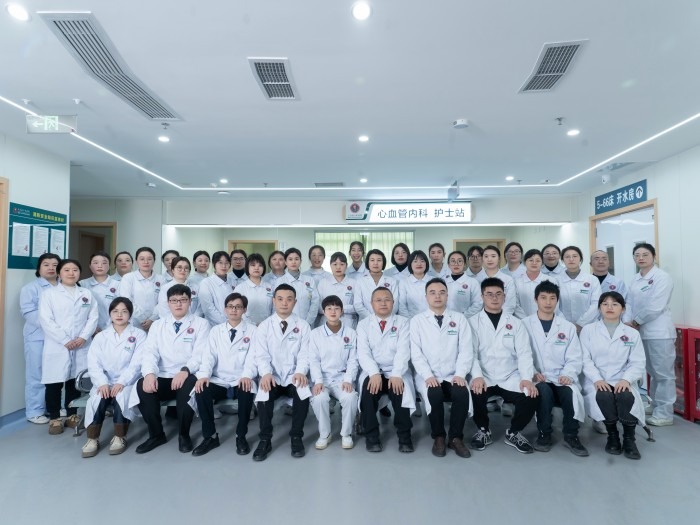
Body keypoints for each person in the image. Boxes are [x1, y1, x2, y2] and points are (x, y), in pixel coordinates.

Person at [134, 284, 211, 454]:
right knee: (142, 386)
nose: (178, 304)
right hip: (163, 374)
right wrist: (149, 374)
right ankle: (156, 434)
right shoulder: (157, 325)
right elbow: (150, 353)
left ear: (190, 302)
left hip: (188, 373)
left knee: (189, 387)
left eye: (183, 300)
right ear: (168, 303)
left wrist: (185, 370)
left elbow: (201, 354)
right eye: (174, 300)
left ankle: (184, 435)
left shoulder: (201, 324)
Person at [468, 277, 539, 454]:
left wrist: (526, 378)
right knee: (475, 390)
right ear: (482, 297)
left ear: (504, 297)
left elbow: (524, 353)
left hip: (510, 375)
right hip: (484, 375)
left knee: (531, 393)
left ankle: (514, 432)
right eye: (489, 294)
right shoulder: (472, 322)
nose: (494, 298)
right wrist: (477, 376)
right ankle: (483, 430)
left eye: (498, 294)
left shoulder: (516, 323)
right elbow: (471, 354)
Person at [522, 281, 588, 456]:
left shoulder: (567, 327)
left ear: (557, 301)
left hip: (561, 376)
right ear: (536, 299)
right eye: (543, 297)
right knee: (543, 392)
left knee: (569, 393)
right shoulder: (524, 324)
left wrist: (568, 374)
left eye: (552, 298)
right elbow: (520, 354)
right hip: (538, 377)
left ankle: (571, 435)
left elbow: (575, 357)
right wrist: (532, 372)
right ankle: (544, 433)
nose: (548, 302)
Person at [410, 278, 473, 458]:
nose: (437, 296)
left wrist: (460, 374)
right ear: (426, 297)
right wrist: (428, 375)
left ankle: (455, 438)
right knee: (434, 394)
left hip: (454, 373)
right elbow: (416, 353)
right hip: (429, 374)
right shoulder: (417, 321)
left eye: (441, 292)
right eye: (432, 293)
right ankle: (438, 436)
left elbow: (466, 350)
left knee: (461, 393)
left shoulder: (459, 319)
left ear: (447, 295)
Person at [581, 292, 646, 459]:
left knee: (625, 396)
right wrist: (597, 379)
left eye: (615, 304)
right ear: (599, 308)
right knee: (603, 395)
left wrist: (626, 379)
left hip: (622, 378)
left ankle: (629, 439)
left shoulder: (632, 334)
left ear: (622, 309)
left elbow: (638, 362)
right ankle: (613, 436)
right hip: (597, 379)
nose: (609, 307)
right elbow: (585, 359)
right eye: (605, 304)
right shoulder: (588, 330)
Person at [192, 293, 257, 456]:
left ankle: (241, 436)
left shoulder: (253, 330)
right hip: (219, 379)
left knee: (247, 389)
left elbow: (253, 357)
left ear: (244, 310)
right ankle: (210, 436)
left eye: (238, 307)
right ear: (225, 309)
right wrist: (204, 375)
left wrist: (247, 375)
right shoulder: (216, 331)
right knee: (201, 390)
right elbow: (209, 356)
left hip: (241, 378)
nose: (234, 310)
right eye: (230, 306)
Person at [252, 284, 312, 461]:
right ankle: (265, 439)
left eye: (289, 299)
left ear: (295, 302)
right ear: (273, 301)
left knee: (302, 392)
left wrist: (300, 372)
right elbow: (261, 354)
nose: (284, 303)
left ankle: (296, 436)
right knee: (264, 393)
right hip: (273, 376)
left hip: (294, 375)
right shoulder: (264, 326)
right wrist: (266, 373)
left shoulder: (303, 325)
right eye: (280, 299)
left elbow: (305, 354)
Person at [40, 259, 99, 435]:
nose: (71, 273)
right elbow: (46, 320)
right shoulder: (49, 294)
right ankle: (55, 418)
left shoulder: (86, 293)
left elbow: (93, 317)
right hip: (57, 345)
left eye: (75, 270)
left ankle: (72, 415)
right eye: (67, 270)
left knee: (74, 381)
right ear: (59, 273)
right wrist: (65, 340)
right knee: (54, 383)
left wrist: (83, 337)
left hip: (80, 344)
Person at [82, 297, 146, 457]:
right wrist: (102, 383)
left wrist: (122, 382)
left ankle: (119, 436)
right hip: (104, 381)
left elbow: (137, 364)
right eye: (115, 311)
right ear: (110, 314)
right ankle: (92, 439)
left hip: (129, 382)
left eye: (124, 311)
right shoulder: (101, 337)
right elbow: (94, 363)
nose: (119, 315)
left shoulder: (139, 335)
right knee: (98, 398)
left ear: (130, 314)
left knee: (122, 396)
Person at [357, 287, 415, 453]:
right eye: (378, 300)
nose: (383, 303)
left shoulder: (403, 322)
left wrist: (396, 374)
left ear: (393, 303)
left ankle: (404, 437)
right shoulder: (363, 324)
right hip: (372, 370)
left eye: (387, 299)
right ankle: (371, 436)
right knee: (368, 392)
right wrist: (374, 373)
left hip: (396, 369)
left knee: (400, 391)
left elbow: (404, 351)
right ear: (371, 304)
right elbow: (363, 352)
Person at [624, 243, 676, 426]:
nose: (641, 258)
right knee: (652, 372)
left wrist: (635, 322)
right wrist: (627, 322)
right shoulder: (635, 279)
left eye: (645, 254)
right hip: (639, 332)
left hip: (658, 332)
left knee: (663, 375)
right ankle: (655, 405)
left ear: (654, 256)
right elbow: (628, 303)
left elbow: (656, 306)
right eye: (637, 255)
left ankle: (665, 413)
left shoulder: (662, 277)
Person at [309, 295, 359, 450]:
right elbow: (313, 360)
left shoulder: (351, 333)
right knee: (319, 398)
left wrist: (348, 380)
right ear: (323, 312)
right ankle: (325, 434)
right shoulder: (315, 334)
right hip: (322, 379)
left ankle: (346, 434)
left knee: (350, 397)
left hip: (342, 379)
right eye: (329, 308)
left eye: (337, 308)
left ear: (342, 311)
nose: (333, 311)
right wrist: (318, 381)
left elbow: (353, 360)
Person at [20, 253, 60, 424]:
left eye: (55, 265)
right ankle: (35, 411)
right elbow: (29, 312)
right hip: (38, 337)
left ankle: (54, 408)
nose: (51, 268)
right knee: (36, 374)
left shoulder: (64, 286)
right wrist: (52, 325)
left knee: (57, 374)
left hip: (60, 339)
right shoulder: (30, 288)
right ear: (39, 268)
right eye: (46, 264)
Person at [118, 247, 162, 332]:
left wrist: (152, 319)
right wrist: (142, 319)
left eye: (149, 259)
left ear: (154, 261)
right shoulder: (128, 278)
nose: (146, 262)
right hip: (134, 323)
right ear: (136, 261)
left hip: (156, 323)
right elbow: (126, 300)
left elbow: (163, 302)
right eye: (142, 259)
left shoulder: (161, 279)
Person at [558, 246, 601, 332]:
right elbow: (554, 306)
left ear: (580, 259)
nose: (571, 259)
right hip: (563, 326)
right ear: (562, 260)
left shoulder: (592, 280)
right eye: (567, 257)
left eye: (575, 256)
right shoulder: (556, 281)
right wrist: (565, 324)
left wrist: (581, 323)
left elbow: (596, 304)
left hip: (589, 326)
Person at [276, 247, 320, 326]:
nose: (293, 262)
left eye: (296, 259)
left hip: (307, 323)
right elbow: (277, 304)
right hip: (286, 323)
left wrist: (308, 322)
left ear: (301, 261)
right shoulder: (279, 281)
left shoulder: (309, 280)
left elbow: (315, 302)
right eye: (290, 259)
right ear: (285, 262)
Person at [79, 251, 121, 332]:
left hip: (113, 328)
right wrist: (91, 328)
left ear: (109, 266)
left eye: (104, 263)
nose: (100, 266)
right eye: (95, 263)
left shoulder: (118, 285)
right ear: (90, 266)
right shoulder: (82, 284)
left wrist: (110, 327)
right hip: (87, 330)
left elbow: (121, 308)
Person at [354, 249, 399, 321]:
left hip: (388, 320)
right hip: (366, 321)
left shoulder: (392, 281)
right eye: (372, 260)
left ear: (383, 262)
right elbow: (358, 305)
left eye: (379, 260)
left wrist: (384, 318)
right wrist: (373, 318)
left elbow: (395, 304)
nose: (375, 263)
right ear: (368, 262)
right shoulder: (360, 282)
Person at [513, 249, 560, 319]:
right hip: (522, 321)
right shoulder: (516, 282)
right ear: (525, 262)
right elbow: (515, 304)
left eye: (538, 261)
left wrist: (542, 319)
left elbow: (555, 303)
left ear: (542, 263)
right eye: (531, 260)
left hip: (546, 320)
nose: (534, 263)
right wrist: (526, 320)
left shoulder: (551, 280)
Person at [317, 252, 357, 328]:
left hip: (347, 323)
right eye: (335, 264)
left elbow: (358, 305)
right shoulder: (323, 283)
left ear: (346, 266)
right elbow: (318, 306)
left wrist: (343, 309)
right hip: (326, 323)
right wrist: (331, 311)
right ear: (330, 266)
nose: (338, 267)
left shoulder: (353, 283)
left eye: (342, 264)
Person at [234, 253, 273, 325]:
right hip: (246, 326)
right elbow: (237, 309)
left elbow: (274, 308)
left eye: (260, 265)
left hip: (268, 325)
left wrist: (267, 324)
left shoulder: (270, 287)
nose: (256, 268)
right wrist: (251, 324)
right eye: (253, 265)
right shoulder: (240, 288)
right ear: (247, 267)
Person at [199, 251, 235, 326]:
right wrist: (227, 323)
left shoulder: (233, 281)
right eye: (220, 263)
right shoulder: (206, 283)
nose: (224, 266)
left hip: (234, 323)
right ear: (213, 264)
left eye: (226, 263)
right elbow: (208, 309)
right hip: (215, 325)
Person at [478, 245, 516, 315]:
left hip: (503, 317)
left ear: (499, 259)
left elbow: (510, 304)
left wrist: (500, 317)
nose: (489, 259)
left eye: (493, 256)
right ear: (482, 259)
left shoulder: (508, 279)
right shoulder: (476, 280)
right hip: (481, 318)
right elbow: (476, 303)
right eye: (486, 256)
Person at [444, 250, 482, 319]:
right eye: (453, 261)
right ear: (449, 265)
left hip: (466, 319)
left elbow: (478, 304)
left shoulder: (473, 282)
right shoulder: (443, 282)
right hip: (446, 319)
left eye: (460, 261)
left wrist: (462, 316)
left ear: (464, 264)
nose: (456, 264)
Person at [398, 250, 431, 319]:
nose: (419, 264)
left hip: (431, 320)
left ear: (426, 263)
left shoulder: (434, 281)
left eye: (422, 261)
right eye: (415, 261)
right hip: (410, 320)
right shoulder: (404, 282)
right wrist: (410, 321)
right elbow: (402, 306)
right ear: (410, 264)